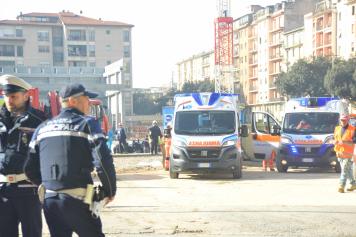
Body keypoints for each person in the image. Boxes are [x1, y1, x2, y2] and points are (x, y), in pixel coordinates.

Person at [24, 83, 116, 237]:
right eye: (87, 99)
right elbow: (102, 160)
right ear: (73, 101)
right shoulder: (87, 123)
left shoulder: (42, 128)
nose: (88, 103)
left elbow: (29, 168)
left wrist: (49, 185)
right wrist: (110, 190)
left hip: (50, 201)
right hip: (78, 200)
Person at [0, 74, 47, 237]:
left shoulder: (39, 120)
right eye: (6, 96)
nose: (9, 100)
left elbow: (46, 153)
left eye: (14, 96)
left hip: (28, 190)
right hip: (3, 191)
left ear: (26, 96)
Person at [333, 114, 356, 193]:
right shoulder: (337, 128)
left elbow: (354, 141)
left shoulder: (353, 129)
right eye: (342, 120)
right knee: (348, 170)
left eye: (345, 120)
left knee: (344, 170)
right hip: (339, 153)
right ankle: (353, 184)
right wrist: (334, 142)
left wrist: (344, 142)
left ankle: (341, 186)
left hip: (348, 154)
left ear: (348, 120)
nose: (343, 121)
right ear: (340, 120)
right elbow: (335, 139)